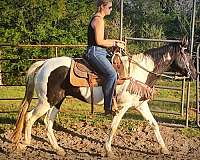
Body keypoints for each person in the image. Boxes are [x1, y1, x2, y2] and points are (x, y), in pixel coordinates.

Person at [85, 0, 125, 115]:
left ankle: (114, 99)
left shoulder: (99, 19)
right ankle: (108, 107)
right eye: (110, 7)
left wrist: (115, 42)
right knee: (111, 74)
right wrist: (115, 44)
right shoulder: (98, 20)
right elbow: (99, 41)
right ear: (102, 6)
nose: (111, 9)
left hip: (100, 51)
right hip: (95, 53)